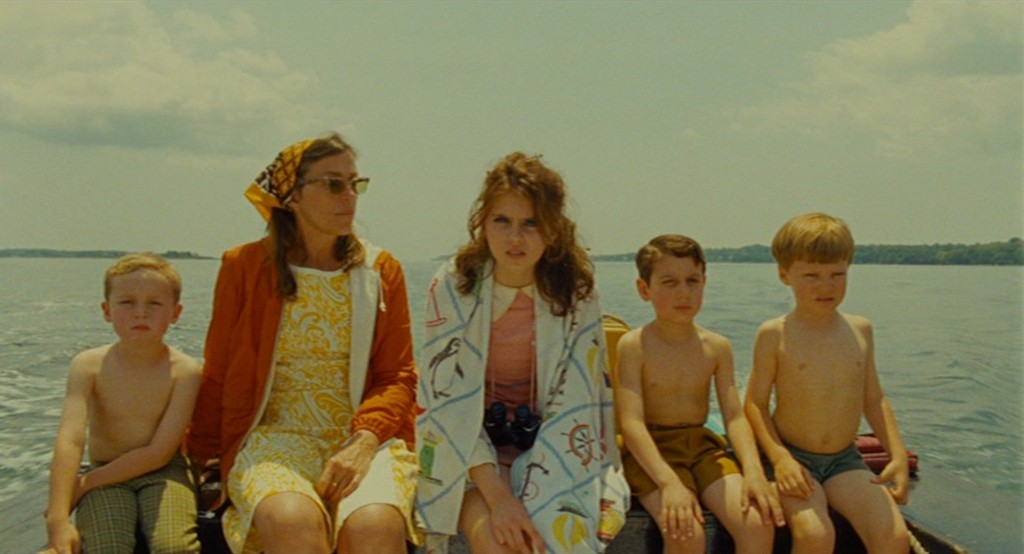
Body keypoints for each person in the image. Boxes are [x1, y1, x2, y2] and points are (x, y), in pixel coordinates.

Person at [186, 133, 419, 554]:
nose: (349, 196)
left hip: (362, 436)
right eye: (333, 184)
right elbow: (219, 369)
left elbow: (397, 376)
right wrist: (199, 457)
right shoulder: (244, 267)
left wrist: (365, 441)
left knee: (375, 526)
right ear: (292, 196)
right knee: (291, 521)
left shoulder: (382, 270)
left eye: (355, 183)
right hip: (272, 436)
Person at [416, 152, 629, 554]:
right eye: (503, 221)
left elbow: (577, 405)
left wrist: (537, 489)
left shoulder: (576, 292)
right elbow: (446, 406)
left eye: (530, 223)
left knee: (553, 540)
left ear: (553, 230)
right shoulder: (453, 287)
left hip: (554, 444)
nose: (515, 238)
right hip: (466, 451)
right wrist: (501, 499)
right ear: (483, 223)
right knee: (500, 545)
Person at [744, 212, 910, 553]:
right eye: (812, 276)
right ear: (784, 275)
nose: (827, 285)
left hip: (844, 460)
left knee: (892, 538)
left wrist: (897, 454)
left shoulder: (861, 329)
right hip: (793, 457)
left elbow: (874, 398)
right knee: (816, 536)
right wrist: (780, 459)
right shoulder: (774, 334)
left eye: (838, 274)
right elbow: (754, 404)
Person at [614, 235, 783, 554]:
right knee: (686, 533)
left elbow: (734, 416)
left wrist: (754, 472)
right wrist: (668, 483)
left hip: (702, 448)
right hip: (652, 450)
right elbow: (631, 424)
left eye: (692, 281)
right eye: (670, 282)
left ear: (704, 283)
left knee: (758, 524)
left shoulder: (716, 347)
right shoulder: (634, 346)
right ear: (644, 289)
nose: (684, 292)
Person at [42, 252, 202, 554]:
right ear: (106, 310)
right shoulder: (87, 366)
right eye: (127, 302)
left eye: (154, 304)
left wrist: (84, 484)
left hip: (165, 472)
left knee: (174, 548)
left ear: (175, 313)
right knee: (106, 547)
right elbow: (70, 439)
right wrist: (57, 519)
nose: (141, 313)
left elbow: (159, 453)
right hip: (106, 472)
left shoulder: (185, 371)